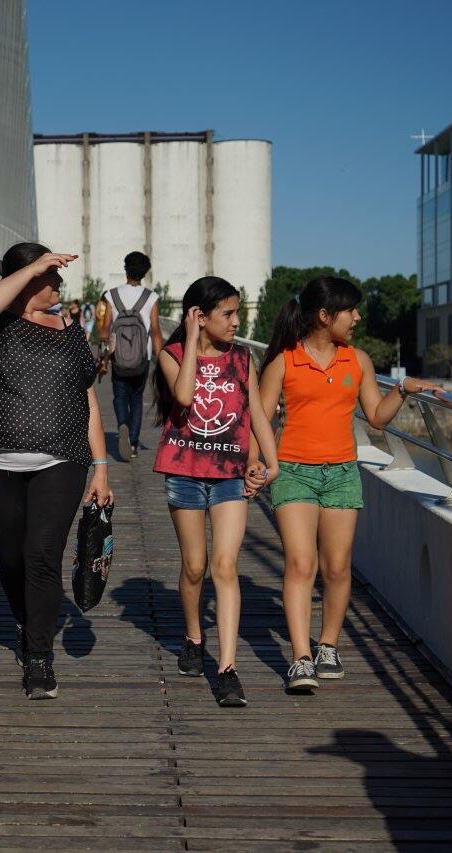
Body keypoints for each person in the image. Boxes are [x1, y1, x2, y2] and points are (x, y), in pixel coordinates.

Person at [256, 276, 441, 692]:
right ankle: (300, 658)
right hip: (293, 471)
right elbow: (260, 419)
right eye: (350, 310)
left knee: (337, 568)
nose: (357, 317)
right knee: (302, 564)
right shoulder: (283, 362)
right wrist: (256, 462)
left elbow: (375, 416)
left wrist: (404, 389)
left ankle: (328, 645)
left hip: (342, 473)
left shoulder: (357, 360)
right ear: (325, 316)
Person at [0, 242, 114, 700]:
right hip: (1, 463)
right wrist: (34, 267)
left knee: (42, 555)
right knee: (11, 559)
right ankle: (24, 621)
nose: (59, 282)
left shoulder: (72, 327)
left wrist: (101, 467)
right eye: (50, 276)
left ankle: (39, 656)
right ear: (28, 277)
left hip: (63, 459)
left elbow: (87, 398)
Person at [153, 277, 279, 707]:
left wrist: (269, 459)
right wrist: (190, 338)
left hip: (229, 475)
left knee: (225, 566)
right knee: (195, 566)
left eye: (236, 312)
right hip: (184, 473)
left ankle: (227, 668)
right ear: (200, 316)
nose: (236, 321)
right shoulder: (171, 355)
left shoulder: (243, 358)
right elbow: (185, 396)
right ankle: (193, 634)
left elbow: (257, 412)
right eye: (227, 313)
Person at [100, 252, 163, 460]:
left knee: (119, 396)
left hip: (119, 357)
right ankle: (134, 443)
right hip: (141, 358)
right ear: (145, 272)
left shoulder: (111, 295)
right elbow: (155, 330)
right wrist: (161, 359)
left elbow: (106, 328)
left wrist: (103, 357)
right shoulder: (151, 297)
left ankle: (122, 425)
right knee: (136, 398)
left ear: (125, 269)